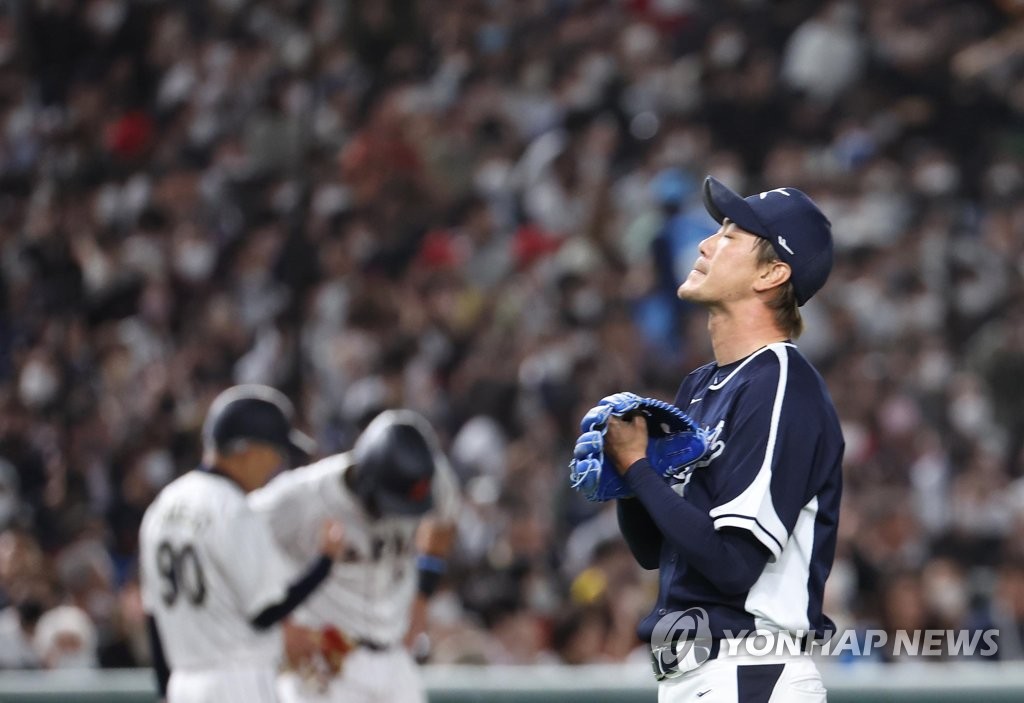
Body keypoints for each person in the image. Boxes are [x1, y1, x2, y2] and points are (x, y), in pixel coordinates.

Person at [605, 176, 843, 701]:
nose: (706, 243)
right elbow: (655, 550)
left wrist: (639, 468)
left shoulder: (780, 379)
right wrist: (629, 477)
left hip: (748, 670)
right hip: (700, 674)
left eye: (732, 236)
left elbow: (733, 565)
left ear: (773, 273)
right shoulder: (700, 385)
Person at [139, 385, 347, 703]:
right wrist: (324, 562)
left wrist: (164, 691)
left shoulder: (162, 507)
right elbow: (267, 611)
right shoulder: (232, 508)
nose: (276, 464)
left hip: (182, 685)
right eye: (274, 452)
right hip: (239, 682)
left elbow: (154, 619)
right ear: (247, 450)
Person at [249, 408, 460, 703]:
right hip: (327, 657)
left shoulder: (433, 481)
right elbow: (232, 543)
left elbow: (443, 524)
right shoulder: (304, 496)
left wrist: (422, 597)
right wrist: (279, 628)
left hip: (394, 655)